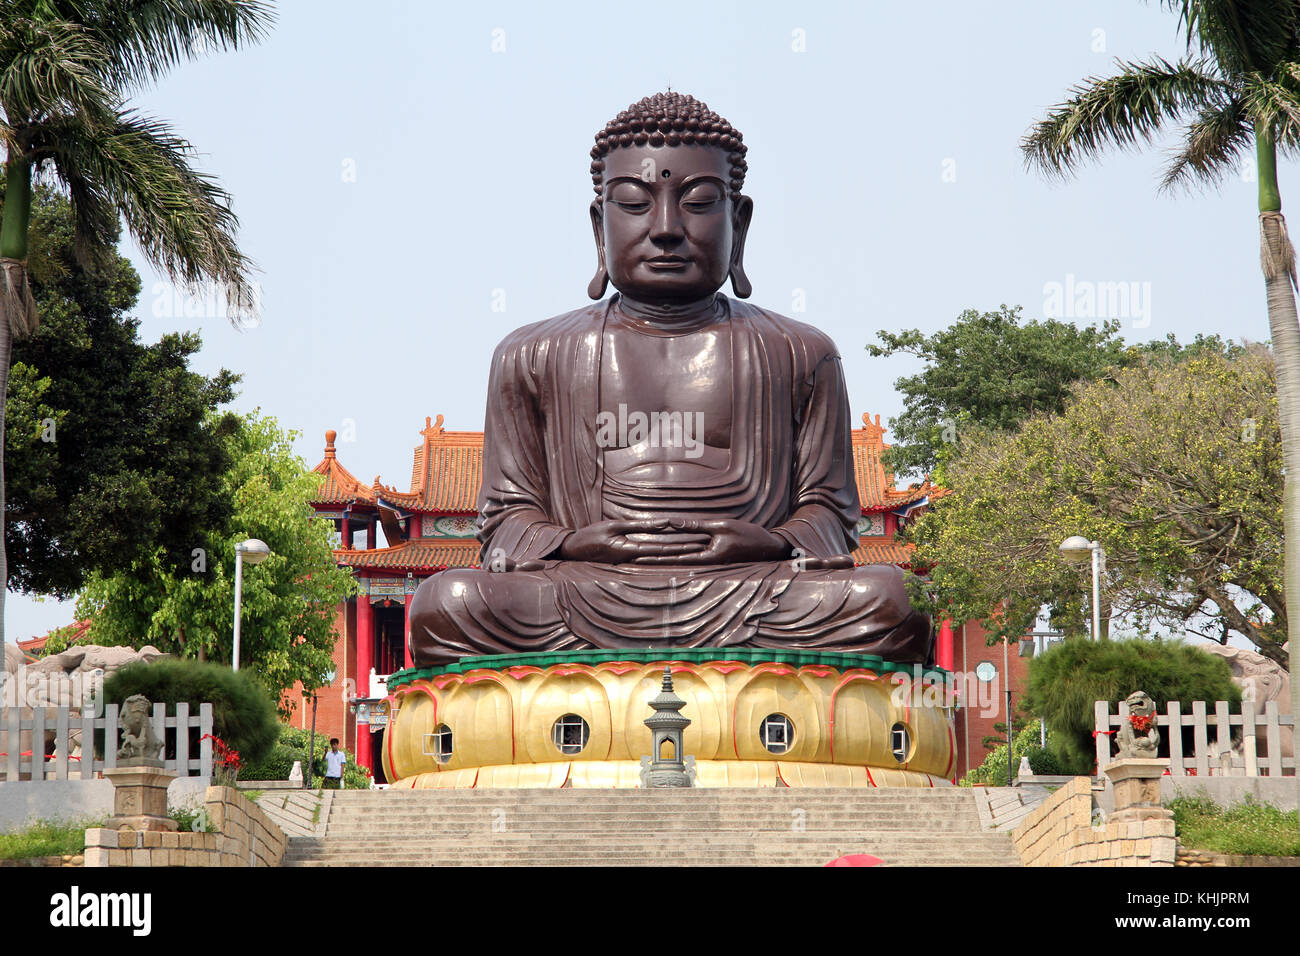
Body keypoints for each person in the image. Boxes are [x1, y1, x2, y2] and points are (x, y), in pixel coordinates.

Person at [409, 92, 932, 667]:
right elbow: (507, 520)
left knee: (892, 599)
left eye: (699, 202)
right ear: (598, 228)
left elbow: (831, 515)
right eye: (633, 203)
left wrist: (772, 541)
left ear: (739, 221)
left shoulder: (800, 352)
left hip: (753, 589)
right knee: (448, 601)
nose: (665, 228)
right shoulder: (533, 354)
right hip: (582, 588)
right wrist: (571, 542)